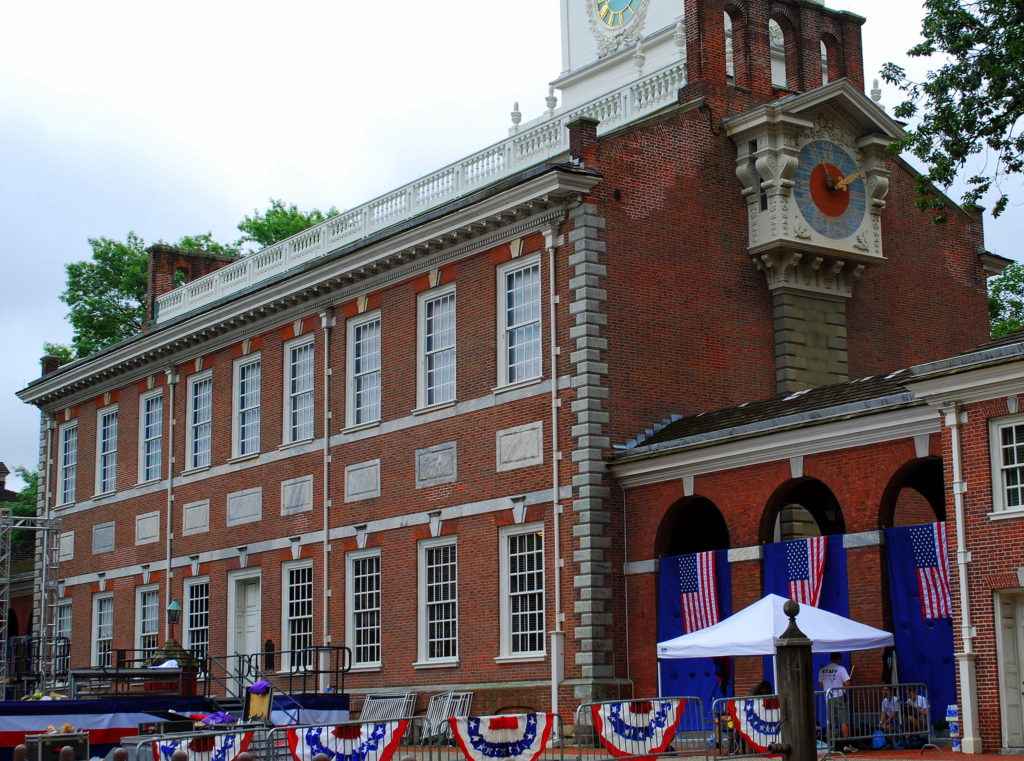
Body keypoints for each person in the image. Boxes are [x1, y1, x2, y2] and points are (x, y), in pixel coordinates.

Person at [819, 652, 854, 752]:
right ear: (838, 659)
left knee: (830, 721)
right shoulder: (841, 669)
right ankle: (846, 744)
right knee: (844, 720)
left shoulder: (823, 670)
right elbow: (847, 683)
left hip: (828, 697)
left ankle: (830, 744)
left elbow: (821, 686)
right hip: (839, 696)